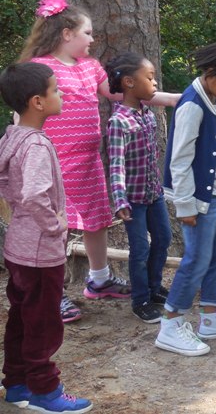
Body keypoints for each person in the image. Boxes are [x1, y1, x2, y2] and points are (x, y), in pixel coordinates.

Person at [19, 0, 179, 323]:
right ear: (66, 34)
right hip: (55, 163)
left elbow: (130, 92)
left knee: (96, 222)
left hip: (90, 161)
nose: (93, 39)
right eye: (87, 33)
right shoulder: (39, 68)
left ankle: (100, 278)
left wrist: (181, 98)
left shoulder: (90, 68)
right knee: (55, 228)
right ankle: (55, 292)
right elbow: (25, 113)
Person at [0, 62, 93, 413]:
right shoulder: (36, 144)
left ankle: (17, 383)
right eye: (56, 90)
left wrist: (24, 215)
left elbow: (8, 185)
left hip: (19, 247)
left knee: (23, 318)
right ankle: (44, 390)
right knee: (44, 323)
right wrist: (56, 227)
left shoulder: (13, 136)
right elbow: (35, 196)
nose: (62, 94)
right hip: (40, 251)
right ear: (38, 102)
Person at [155, 42, 216, 356]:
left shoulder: (214, 97)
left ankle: (210, 317)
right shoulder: (192, 105)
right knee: (196, 260)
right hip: (198, 202)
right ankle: (170, 324)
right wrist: (185, 206)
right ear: (212, 73)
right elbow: (179, 160)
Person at [105, 52, 172, 325]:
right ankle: (140, 300)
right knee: (140, 250)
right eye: (150, 78)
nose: (154, 83)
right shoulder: (118, 122)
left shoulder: (149, 116)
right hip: (132, 200)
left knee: (164, 239)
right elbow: (116, 164)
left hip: (154, 195)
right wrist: (120, 200)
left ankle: (154, 288)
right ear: (130, 83)